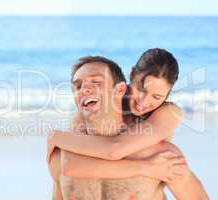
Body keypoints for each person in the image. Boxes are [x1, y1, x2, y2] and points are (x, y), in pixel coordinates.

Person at [47, 51, 209, 199]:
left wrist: (149, 168)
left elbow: (116, 149)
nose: (143, 102)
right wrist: (55, 137)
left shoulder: (164, 148)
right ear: (130, 77)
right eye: (78, 86)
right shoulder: (77, 127)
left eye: (157, 96)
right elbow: (70, 165)